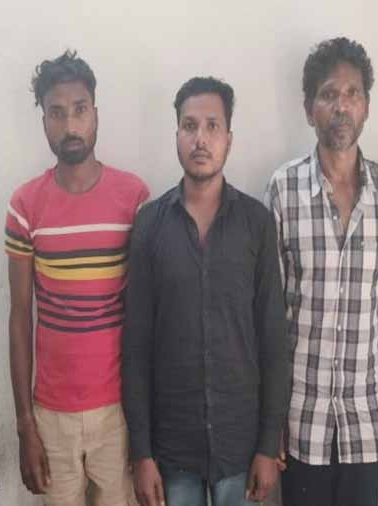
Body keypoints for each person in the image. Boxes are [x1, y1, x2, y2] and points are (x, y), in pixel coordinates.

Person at [123, 76, 289, 506]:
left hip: (241, 446)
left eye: (213, 126)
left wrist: (268, 444)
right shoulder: (149, 225)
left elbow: (273, 339)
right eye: (190, 125)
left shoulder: (256, 223)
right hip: (172, 448)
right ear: (176, 134)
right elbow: (136, 346)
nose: (201, 138)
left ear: (229, 139)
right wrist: (141, 453)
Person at [263, 37, 378, 506]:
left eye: (352, 94)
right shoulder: (284, 189)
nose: (341, 106)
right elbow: (270, 314)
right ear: (310, 109)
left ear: (366, 106)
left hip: (366, 411)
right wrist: (270, 418)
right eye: (329, 94)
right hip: (300, 413)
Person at [6, 49, 149, 505]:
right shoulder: (25, 205)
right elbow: (20, 315)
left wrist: (146, 424)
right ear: (44, 122)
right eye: (57, 113)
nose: (70, 125)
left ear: (96, 115)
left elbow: (147, 313)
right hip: (51, 415)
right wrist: (25, 425)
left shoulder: (134, 197)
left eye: (80, 110)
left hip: (119, 411)